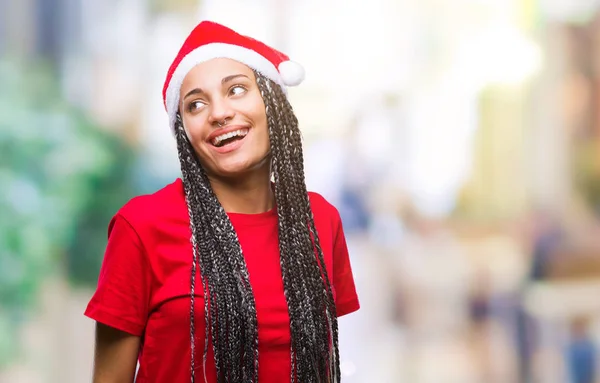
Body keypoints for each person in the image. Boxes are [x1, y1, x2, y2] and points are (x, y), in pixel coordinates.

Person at [84, 20, 360, 383]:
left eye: (236, 90)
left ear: (273, 102)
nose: (218, 113)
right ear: (184, 131)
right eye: (196, 104)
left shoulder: (320, 220)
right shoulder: (142, 226)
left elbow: (320, 362)